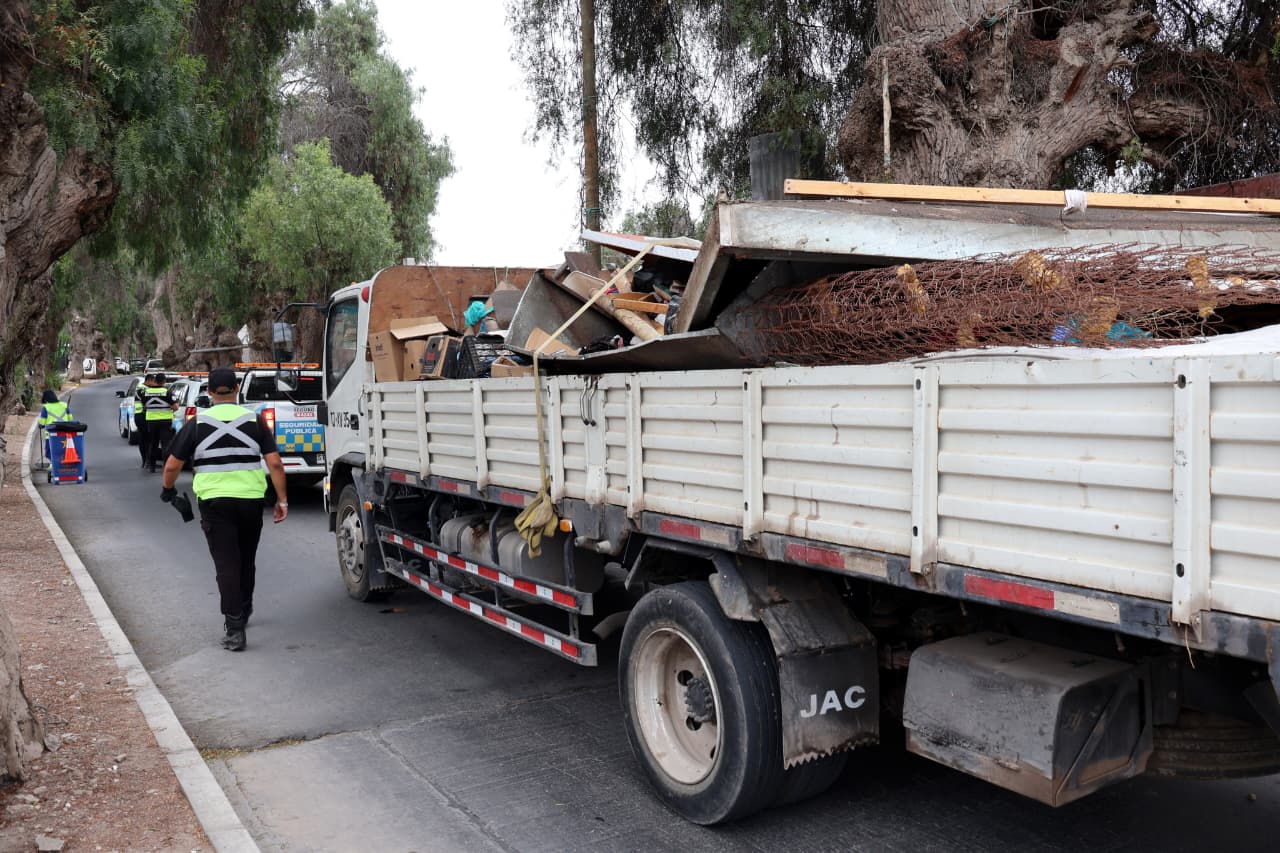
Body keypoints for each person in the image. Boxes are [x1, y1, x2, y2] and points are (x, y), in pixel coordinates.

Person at [161, 366, 287, 651]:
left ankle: (234, 628)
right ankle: (245, 605)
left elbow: (171, 466)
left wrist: (167, 490)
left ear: (209, 392)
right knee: (246, 558)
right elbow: (275, 464)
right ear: (237, 389)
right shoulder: (255, 421)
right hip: (251, 500)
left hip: (215, 503)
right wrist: (282, 500)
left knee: (226, 563)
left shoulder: (197, 423)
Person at [140, 372, 176, 472]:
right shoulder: (167, 392)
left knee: (153, 444)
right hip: (165, 421)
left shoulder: (146, 392)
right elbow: (175, 407)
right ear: (164, 381)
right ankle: (166, 466)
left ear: (155, 381)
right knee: (165, 444)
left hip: (151, 421)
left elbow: (144, 406)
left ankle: (152, 466)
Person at [37, 389, 72, 463]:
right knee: (63, 449)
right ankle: (63, 462)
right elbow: (70, 419)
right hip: (64, 432)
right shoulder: (65, 405)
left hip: (51, 434)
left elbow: (42, 423)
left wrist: (40, 425)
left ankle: (53, 463)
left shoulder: (46, 407)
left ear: (45, 399)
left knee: (49, 451)